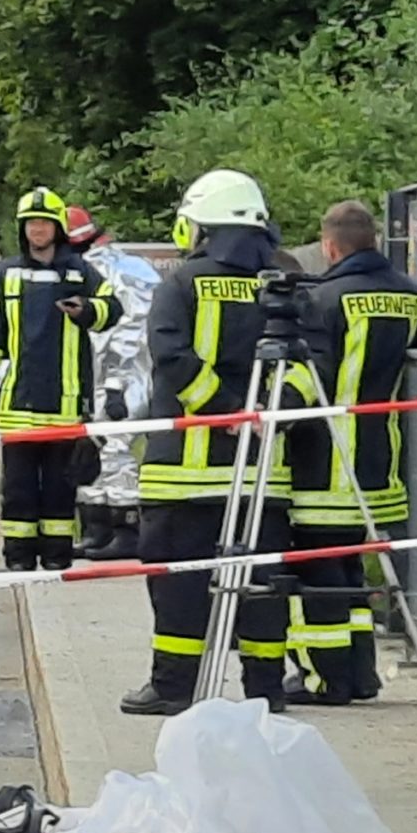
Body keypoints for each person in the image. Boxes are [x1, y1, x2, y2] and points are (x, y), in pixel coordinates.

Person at [122, 170, 293, 715]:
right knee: (262, 587)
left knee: (178, 584)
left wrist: (224, 411)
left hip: (184, 476)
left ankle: (175, 689)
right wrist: (267, 413)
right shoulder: (286, 281)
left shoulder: (183, 283)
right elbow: (310, 364)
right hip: (265, 472)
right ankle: (265, 690)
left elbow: (170, 355)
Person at [286, 200, 417, 703]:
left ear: (330, 246)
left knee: (320, 570)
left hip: (325, 461)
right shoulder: (411, 295)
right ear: (373, 240)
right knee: (349, 565)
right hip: (380, 459)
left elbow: (310, 377)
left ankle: (326, 679)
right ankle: (361, 674)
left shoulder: (325, 297)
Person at [0, 187, 119, 572]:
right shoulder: (4, 275)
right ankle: (18, 558)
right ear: (23, 229)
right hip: (18, 402)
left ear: (57, 228)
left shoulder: (79, 271)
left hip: (65, 403)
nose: (38, 230)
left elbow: (112, 308)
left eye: (44, 223)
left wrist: (86, 309)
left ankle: (56, 556)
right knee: (18, 489)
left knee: (59, 489)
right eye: (31, 223)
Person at [67, 208, 157, 561]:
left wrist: (118, 384)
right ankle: (98, 531)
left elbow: (130, 333)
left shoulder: (112, 271)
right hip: (103, 376)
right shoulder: (119, 267)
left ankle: (126, 532)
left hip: (124, 375)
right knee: (94, 449)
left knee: (115, 447)